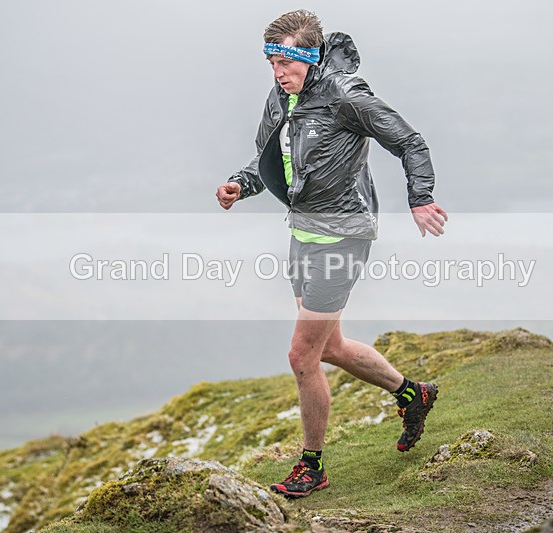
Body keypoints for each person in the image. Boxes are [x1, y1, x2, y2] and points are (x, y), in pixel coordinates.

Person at [215, 9, 448, 498]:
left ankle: (313, 465)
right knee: (332, 347)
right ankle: (413, 393)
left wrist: (421, 197)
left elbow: (409, 141)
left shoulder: (346, 95)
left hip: (344, 234)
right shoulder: (281, 97)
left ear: (309, 55)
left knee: (302, 356)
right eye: (271, 63)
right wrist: (242, 184)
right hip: (303, 232)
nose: (278, 73)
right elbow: (269, 158)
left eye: (285, 62)